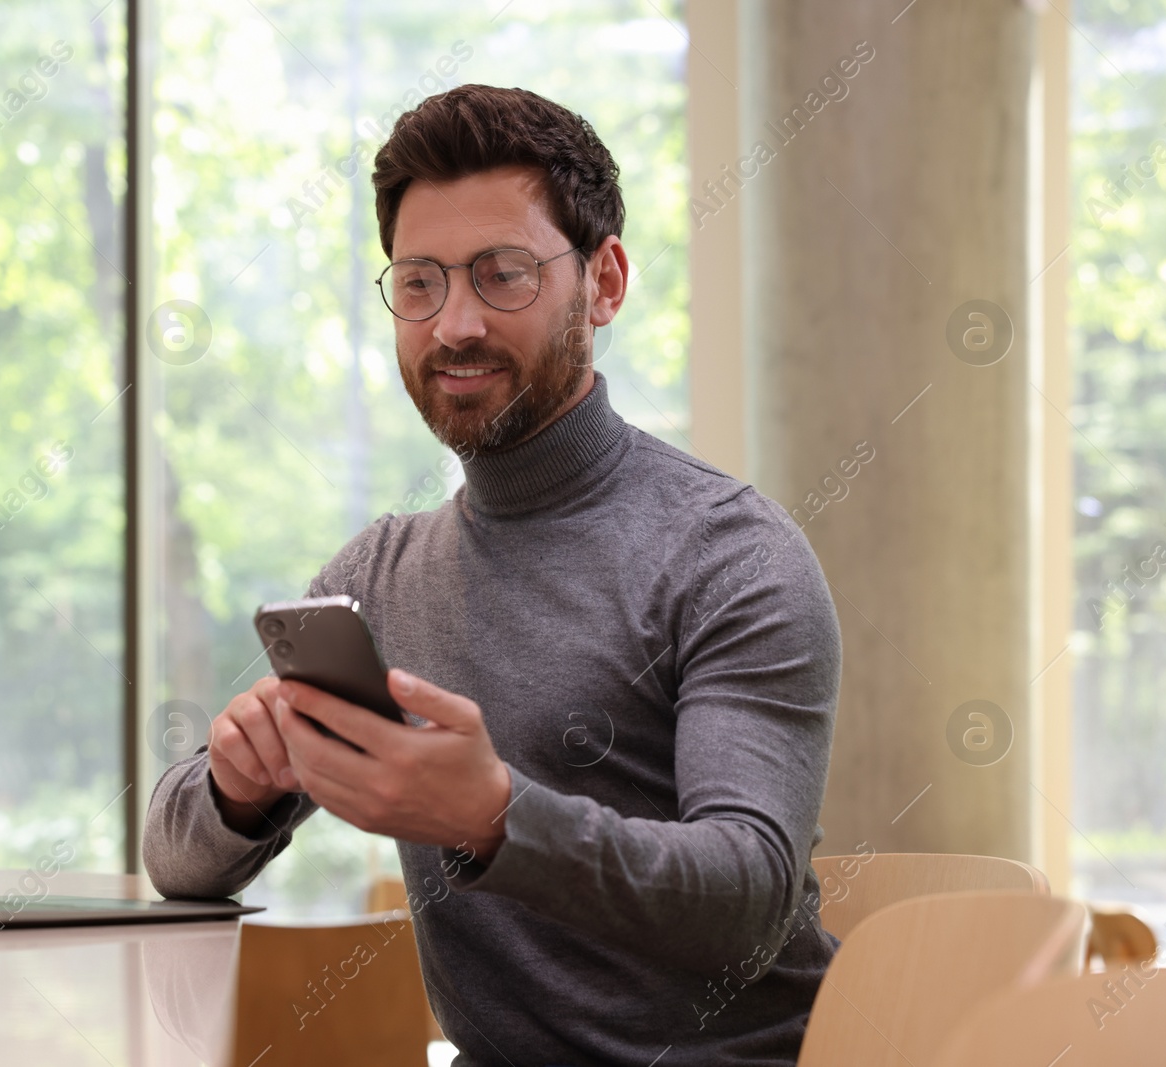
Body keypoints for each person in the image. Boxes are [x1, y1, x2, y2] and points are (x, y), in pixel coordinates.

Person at [143, 83, 842, 1066]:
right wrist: (235, 787)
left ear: (602, 284)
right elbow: (177, 864)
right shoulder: (375, 576)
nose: (453, 324)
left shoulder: (730, 551)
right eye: (419, 281)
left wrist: (492, 812)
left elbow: (748, 895)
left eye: (501, 275)